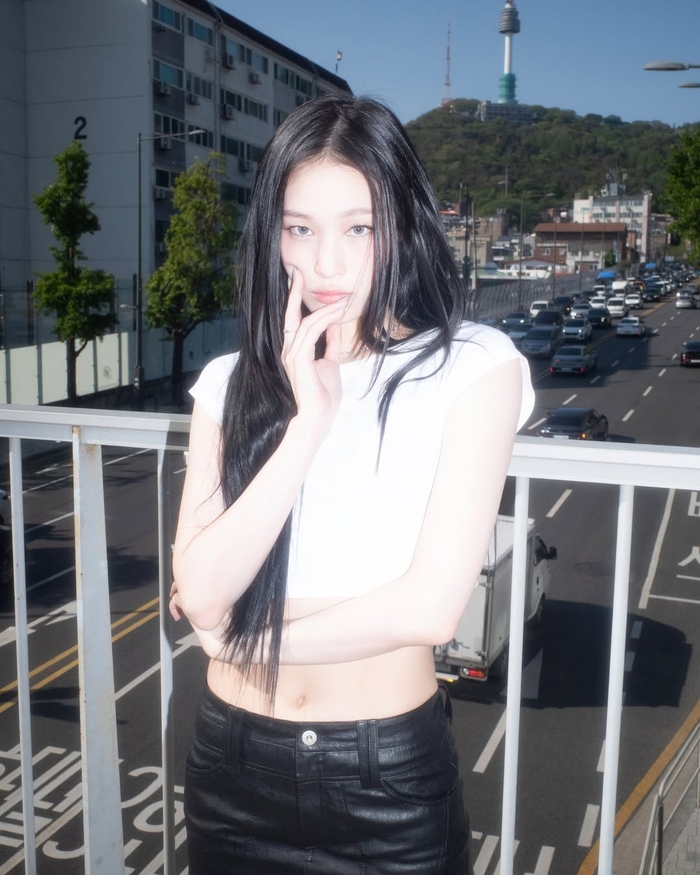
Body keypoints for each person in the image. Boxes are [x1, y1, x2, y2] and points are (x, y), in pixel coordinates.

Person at [170, 93, 534, 874]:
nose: (326, 262)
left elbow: (429, 606)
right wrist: (309, 423)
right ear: (272, 235)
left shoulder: (472, 365)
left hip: (387, 782)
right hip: (231, 765)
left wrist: (246, 642)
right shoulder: (230, 382)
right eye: (300, 228)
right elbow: (200, 592)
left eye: (358, 228)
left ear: (401, 226)